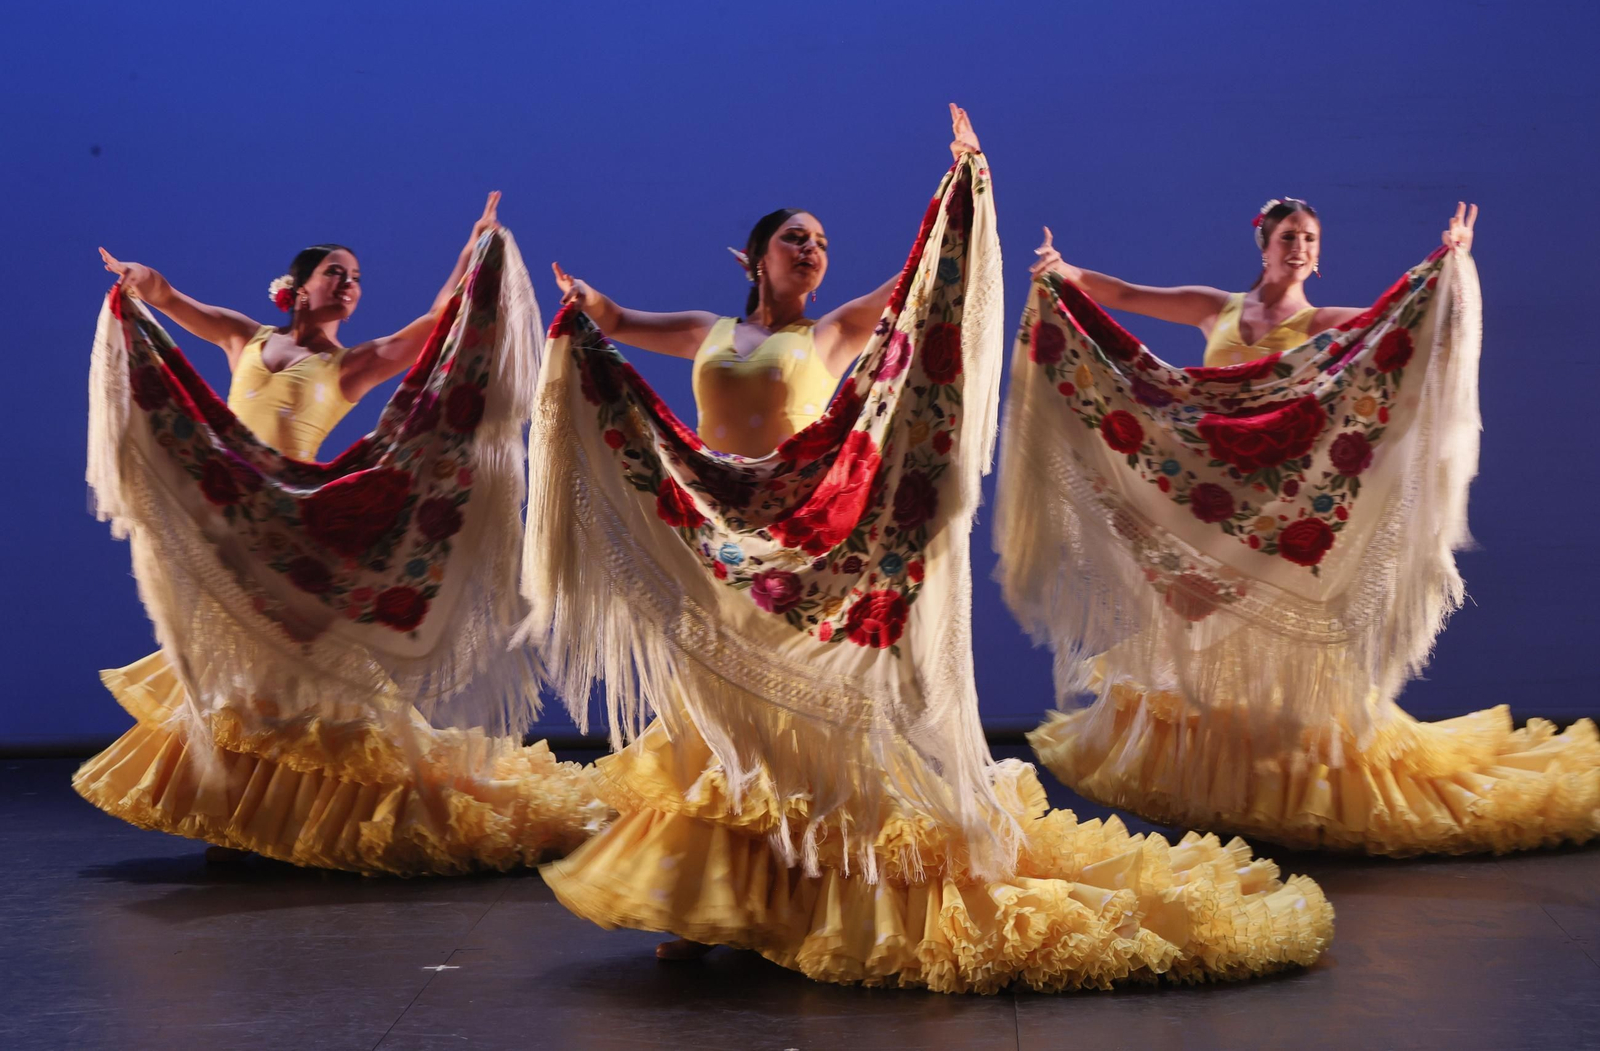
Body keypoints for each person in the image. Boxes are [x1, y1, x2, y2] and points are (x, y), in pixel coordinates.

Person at [527, 111, 1333, 993]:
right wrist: (580, 301)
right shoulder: (705, 331)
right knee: (712, 714)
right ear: (756, 257)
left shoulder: (830, 333)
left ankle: (800, 889)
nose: (813, 249)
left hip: (802, 539)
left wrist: (962, 186)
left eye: (822, 241)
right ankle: (703, 899)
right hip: (716, 534)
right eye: (795, 238)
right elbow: (610, 319)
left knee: (798, 727)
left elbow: (920, 284)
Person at [1017, 199, 1600, 855]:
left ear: (1318, 256)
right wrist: (1063, 271)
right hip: (1214, 510)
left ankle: (1302, 800)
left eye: (1310, 239)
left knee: (1283, 673)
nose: (1299, 247)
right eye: (1289, 236)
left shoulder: (1326, 325)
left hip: (1281, 519)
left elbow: (1409, 329)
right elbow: (1123, 294)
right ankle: (1231, 801)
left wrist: (1449, 264)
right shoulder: (1218, 308)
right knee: (1201, 661)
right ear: (1262, 243)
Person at [77, 194, 601, 874]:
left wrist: (475, 251)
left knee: (294, 679)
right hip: (236, 519)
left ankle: (304, 819)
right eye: (336, 273)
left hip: (294, 528)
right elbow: (174, 301)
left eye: (356, 280)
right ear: (294, 287)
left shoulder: (349, 366)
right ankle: (245, 815)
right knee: (239, 674)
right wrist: (140, 282)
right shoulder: (248, 337)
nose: (349, 286)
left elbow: (437, 321)